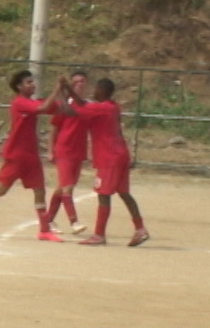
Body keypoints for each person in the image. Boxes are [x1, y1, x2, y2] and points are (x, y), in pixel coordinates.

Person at [0, 70, 63, 243]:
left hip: (31, 155)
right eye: (28, 82)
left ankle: (44, 230)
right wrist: (58, 89)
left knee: (40, 191)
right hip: (16, 154)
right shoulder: (19, 103)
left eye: (33, 81)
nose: (32, 85)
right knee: (2, 189)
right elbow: (43, 108)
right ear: (19, 87)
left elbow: (58, 108)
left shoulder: (32, 102)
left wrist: (67, 92)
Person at [61, 77, 150, 246]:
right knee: (124, 193)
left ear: (103, 92)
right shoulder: (113, 107)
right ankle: (140, 229)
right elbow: (83, 105)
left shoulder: (101, 108)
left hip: (109, 157)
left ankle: (99, 235)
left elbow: (76, 109)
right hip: (120, 154)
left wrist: (66, 90)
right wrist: (69, 91)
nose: (94, 92)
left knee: (103, 194)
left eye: (97, 89)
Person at [46, 70, 89, 235]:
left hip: (78, 152)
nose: (79, 85)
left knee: (62, 188)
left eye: (82, 81)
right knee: (68, 188)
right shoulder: (65, 105)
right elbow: (54, 129)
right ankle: (74, 221)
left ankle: (48, 220)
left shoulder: (87, 105)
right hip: (64, 150)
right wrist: (51, 150)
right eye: (76, 82)